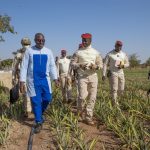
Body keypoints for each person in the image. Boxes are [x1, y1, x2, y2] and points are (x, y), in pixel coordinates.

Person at [20, 33, 59, 133]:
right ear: (35, 40)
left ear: (44, 40)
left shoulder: (48, 51)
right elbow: (24, 67)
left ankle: (39, 113)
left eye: (42, 40)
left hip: (45, 80)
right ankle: (38, 122)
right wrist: (22, 81)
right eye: (38, 40)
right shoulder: (29, 51)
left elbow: (52, 66)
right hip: (33, 80)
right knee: (36, 101)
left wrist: (55, 78)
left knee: (48, 98)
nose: (40, 42)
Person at [71, 33, 103, 125]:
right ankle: (80, 114)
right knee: (82, 97)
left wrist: (95, 66)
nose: (84, 42)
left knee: (92, 97)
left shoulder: (96, 52)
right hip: (82, 77)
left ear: (90, 40)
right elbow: (72, 64)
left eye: (86, 40)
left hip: (93, 77)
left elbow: (100, 65)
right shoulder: (78, 52)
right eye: (83, 40)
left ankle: (89, 117)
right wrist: (80, 65)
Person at [102, 40, 129, 106]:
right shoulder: (110, 54)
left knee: (121, 89)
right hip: (113, 73)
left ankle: (119, 101)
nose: (119, 47)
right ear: (115, 45)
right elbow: (105, 64)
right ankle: (114, 103)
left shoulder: (124, 54)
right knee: (114, 89)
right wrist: (103, 74)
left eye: (120, 46)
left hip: (121, 73)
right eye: (118, 45)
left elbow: (127, 63)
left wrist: (123, 66)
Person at [11, 37, 32, 117]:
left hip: (26, 76)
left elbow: (14, 67)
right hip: (25, 76)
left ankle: (27, 110)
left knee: (26, 93)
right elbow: (15, 67)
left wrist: (13, 77)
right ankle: (27, 110)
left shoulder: (19, 53)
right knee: (27, 93)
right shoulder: (31, 52)